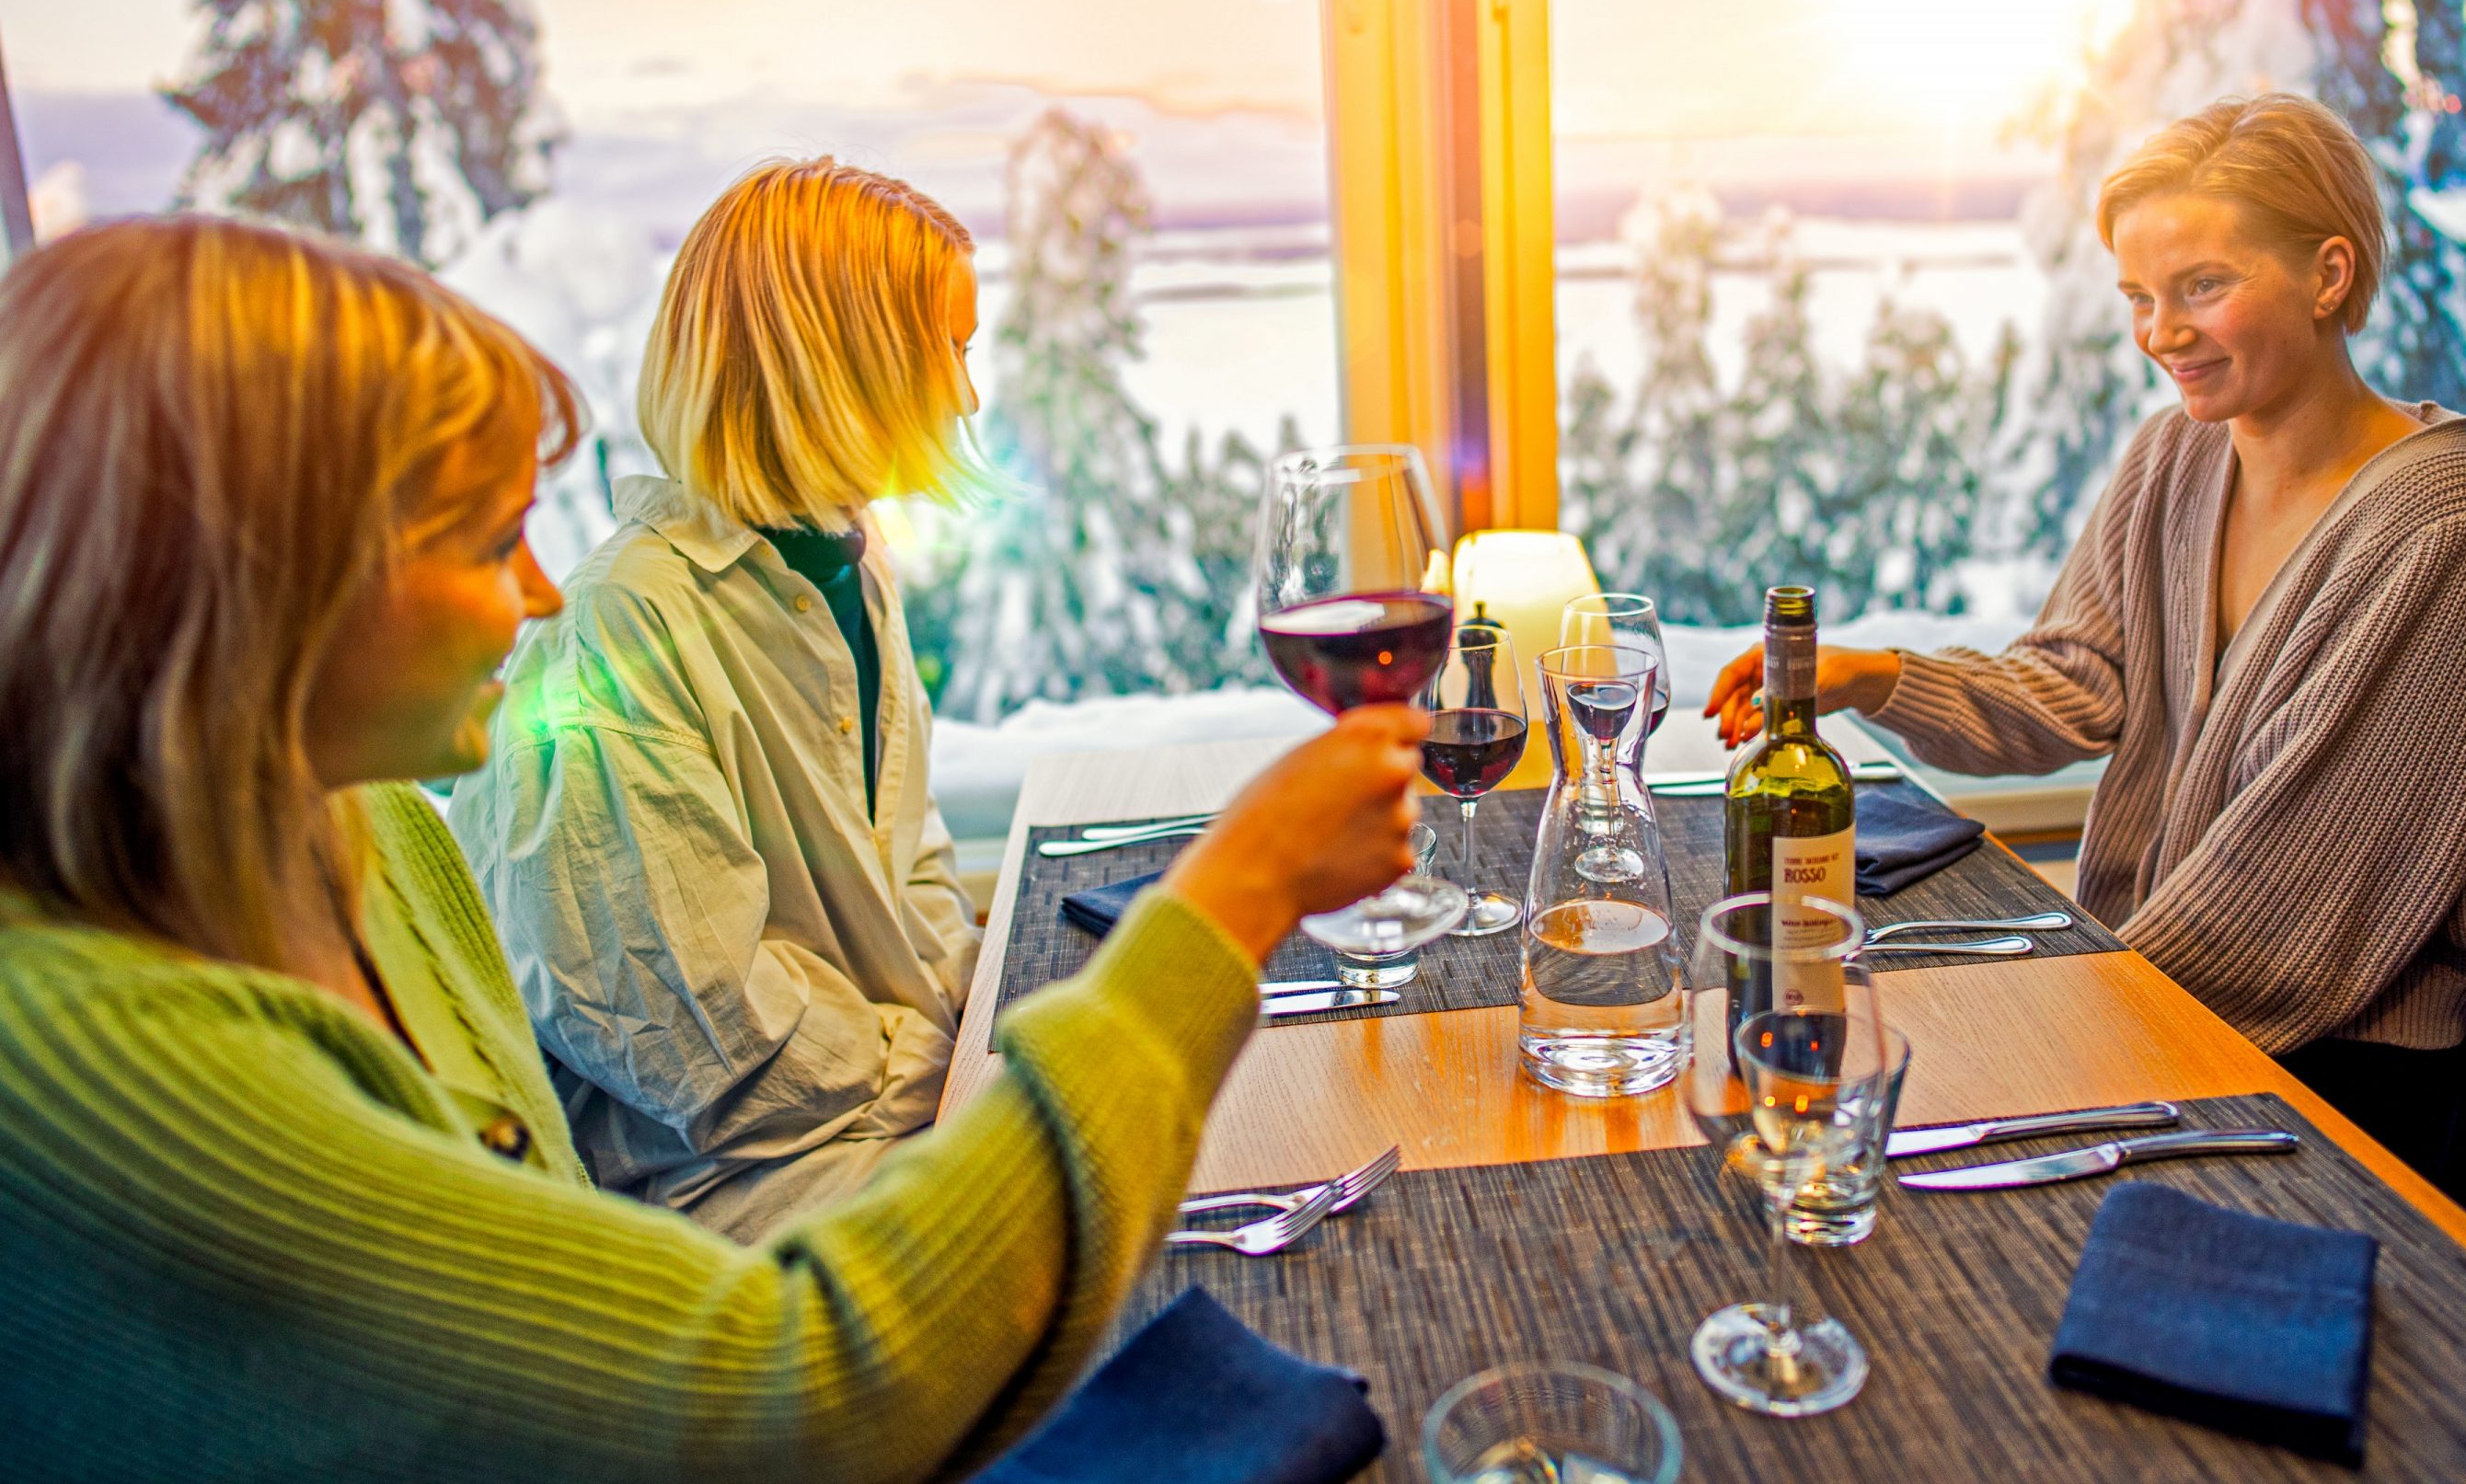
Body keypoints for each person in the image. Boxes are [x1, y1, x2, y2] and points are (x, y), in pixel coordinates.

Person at [0, 214, 1428, 1479]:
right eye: (494, 541)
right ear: (265, 586)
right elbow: (785, 1380)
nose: (541, 587)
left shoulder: (361, 831)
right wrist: (1225, 900)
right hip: (742, 1237)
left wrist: (984, 1059)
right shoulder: (85, 1070)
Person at [1707, 94, 2466, 1165]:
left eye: (2204, 286)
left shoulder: (2446, 528)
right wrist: (1875, 675)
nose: (2161, 334)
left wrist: (2034, 1028)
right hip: (2157, 1005)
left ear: (2329, 275)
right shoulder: (2179, 458)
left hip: (2327, 1089)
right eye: (2142, 297)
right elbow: (2078, 682)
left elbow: (2286, 903)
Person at [451, 157, 991, 1237]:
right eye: (949, 352)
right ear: (840, 368)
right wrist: (966, 1061)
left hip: (883, 1111)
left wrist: (989, 1009)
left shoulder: (844, 564)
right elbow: (700, 1038)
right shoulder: (617, 631)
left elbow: (910, 852)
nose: (967, 396)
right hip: (735, 1184)